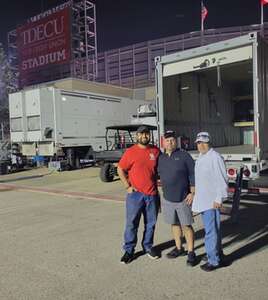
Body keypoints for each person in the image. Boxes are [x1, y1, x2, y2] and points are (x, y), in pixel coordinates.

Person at [118, 125, 160, 264]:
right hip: (135, 195)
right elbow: (120, 169)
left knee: (151, 223)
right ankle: (129, 250)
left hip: (152, 194)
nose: (144, 136)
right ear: (137, 136)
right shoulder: (131, 152)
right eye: (141, 134)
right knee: (131, 224)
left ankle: (148, 246)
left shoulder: (155, 151)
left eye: (147, 134)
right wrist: (127, 186)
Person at [157, 130, 197, 266]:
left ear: (176, 141)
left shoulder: (184, 155)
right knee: (174, 224)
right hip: (168, 198)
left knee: (186, 225)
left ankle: (191, 252)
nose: (170, 142)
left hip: (183, 198)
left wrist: (192, 192)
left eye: (172, 140)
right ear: (163, 142)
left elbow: (193, 174)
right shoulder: (161, 158)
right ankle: (179, 248)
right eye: (167, 140)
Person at [192, 132, 228, 272]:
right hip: (203, 201)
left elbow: (222, 179)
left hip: (211, 202)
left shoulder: (215, 157)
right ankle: (219, 256)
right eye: (198, 143)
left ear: (209, 142)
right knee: (214, 231)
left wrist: (219, 198)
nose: (201, 145)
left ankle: (213, 261)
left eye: (203, 142)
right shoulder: (201, 157)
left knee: (211, 232)